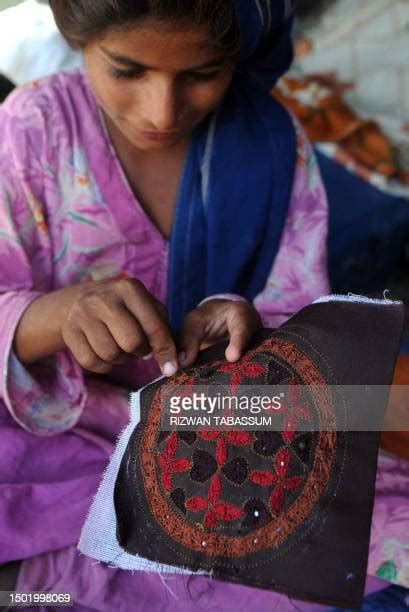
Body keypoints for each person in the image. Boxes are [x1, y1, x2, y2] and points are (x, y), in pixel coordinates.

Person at [0, 0, 347, 608]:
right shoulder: (32, 129)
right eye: (127, 71)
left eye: (202, 73)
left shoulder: (269, 144)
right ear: (78, 39)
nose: (162, 111)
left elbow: (305, 322)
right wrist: (56, 315)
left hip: (218, 439)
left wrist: (246, 328)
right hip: (57, 442)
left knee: (357, 539)